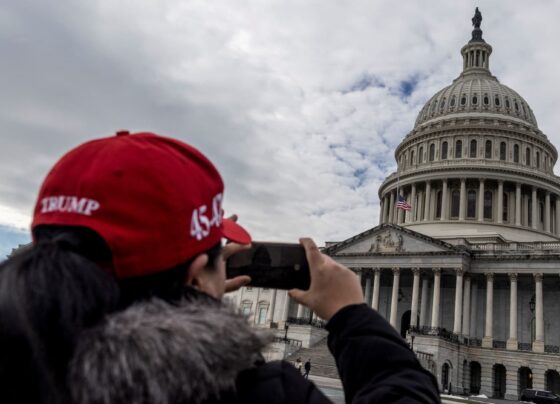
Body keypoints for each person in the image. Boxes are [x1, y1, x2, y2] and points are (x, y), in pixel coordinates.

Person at [0, 131, 441, 403]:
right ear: (195, 276)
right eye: (219, 248)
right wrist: (352, 316)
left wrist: (192, 295)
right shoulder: (254, 392)